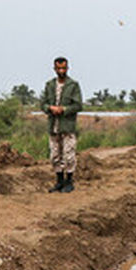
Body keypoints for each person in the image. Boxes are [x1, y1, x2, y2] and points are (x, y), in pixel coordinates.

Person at [40, 57, 82, 193]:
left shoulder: (73, 85)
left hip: (67, 125)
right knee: (54, 155)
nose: (61, 71)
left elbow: (78, 105)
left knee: (69, 155)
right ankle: (59, 181)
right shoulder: (49, 85)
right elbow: (42, 104)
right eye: (58, 68)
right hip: (53, 125)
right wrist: (50, 108)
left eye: (63, 68)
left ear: (67, 68)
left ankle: (69, 181)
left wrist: (64, 109)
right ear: (54, 69)